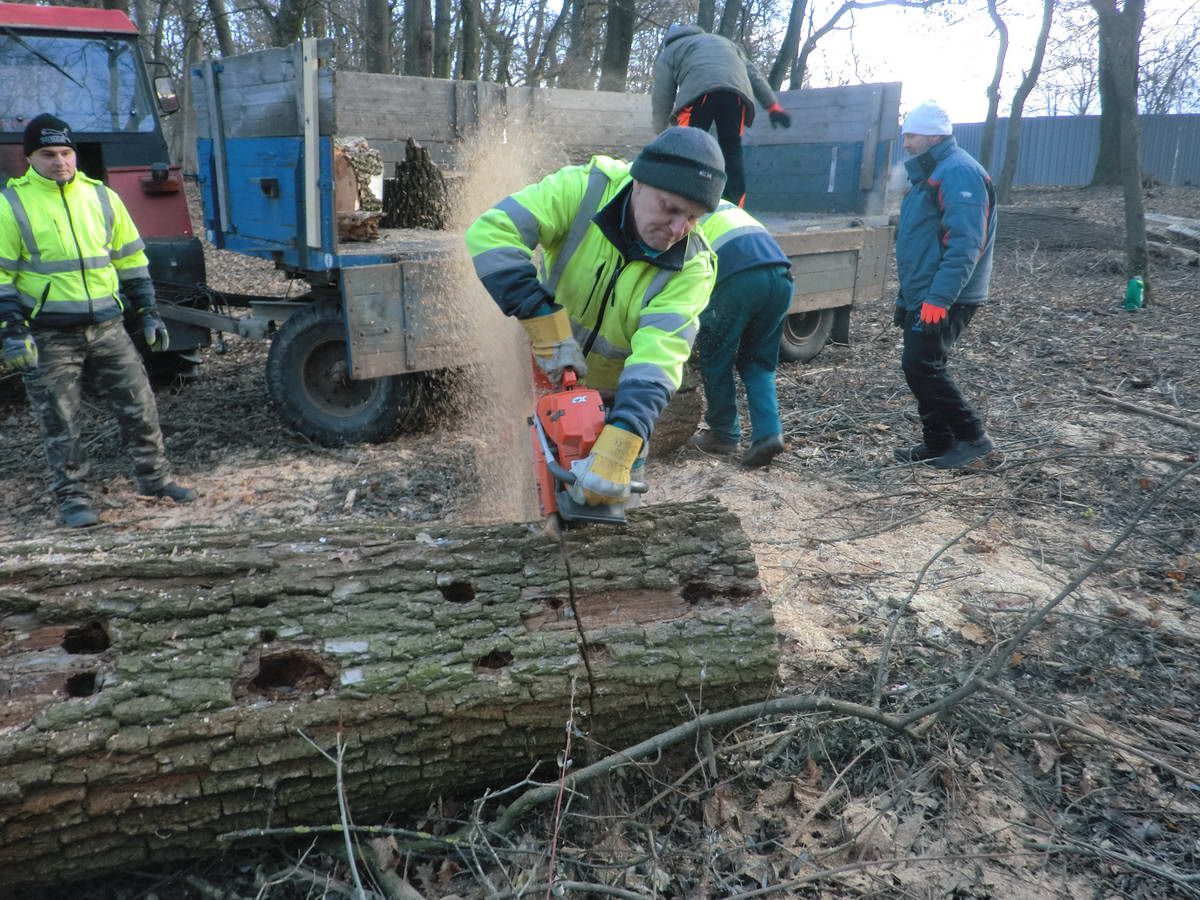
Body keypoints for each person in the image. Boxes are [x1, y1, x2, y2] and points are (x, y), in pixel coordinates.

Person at [465, 126, 723, 507]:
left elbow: (659, 359)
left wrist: (624, 438)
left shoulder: (693, 265)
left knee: (610, 503)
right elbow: (491, 232)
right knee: (537, 484)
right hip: (546, 371)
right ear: (638, 182)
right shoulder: (584, 190)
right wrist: (542, 321)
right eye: (670, 208)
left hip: (620, 398)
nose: (677, 229)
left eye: (693, 217)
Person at [0, 114, 195, 528]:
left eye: (66, 152)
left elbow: (131, 259)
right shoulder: (10, 204)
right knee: (60, 419)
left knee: (140, 405)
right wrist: (12, 331)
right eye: (48, 154)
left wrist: (148, 311)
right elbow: (1, 276)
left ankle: (155, 479)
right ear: (29, 158)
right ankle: (73, 498)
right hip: (49, 333)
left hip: (108, 326)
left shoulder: (102, 197)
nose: (60, 162)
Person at [892, 101, 997, 469]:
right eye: (905, 135)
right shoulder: (932, 171)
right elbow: (921, 241)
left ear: (934, 137)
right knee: (920, 365)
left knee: (922, 364)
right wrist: (907, 297)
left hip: (949, 294)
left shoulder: (959, 172)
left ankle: (973, 437)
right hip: (926, 291)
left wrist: (939, 298)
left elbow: (965, 243)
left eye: (912, 136)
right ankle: (938, 441)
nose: (906, 143)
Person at [689, 201, 792, 467]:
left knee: (715, 357)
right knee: (758, 362)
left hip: (738, 277)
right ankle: (768, 434)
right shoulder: (719, 204)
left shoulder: (678, 210)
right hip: (781, 275)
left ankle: (723, 434)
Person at [651, 24, 791, 208]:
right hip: (736, 94)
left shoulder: (670, 50)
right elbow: (754, 74)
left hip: (699, 91)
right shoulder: (724, 42)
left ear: (668, 40)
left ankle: (683, 200)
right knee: (731, 148)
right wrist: (772, 106)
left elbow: (662, 93)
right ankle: (735, 205)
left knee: (688, 145)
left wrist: (659, 131)